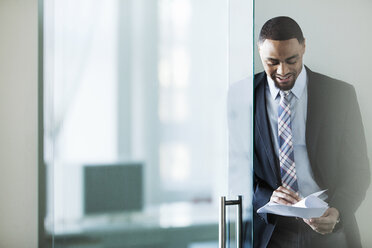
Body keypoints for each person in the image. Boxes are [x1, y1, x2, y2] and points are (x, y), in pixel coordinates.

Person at [252, 16, 370, 248]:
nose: (282, 71)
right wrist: (267, 198)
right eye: (272, 61)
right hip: (271, 233)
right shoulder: (246, 98)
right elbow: (235, 170)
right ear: (259, 51)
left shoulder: (340, 95)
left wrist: (338, 212)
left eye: (291, 60)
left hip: (330, 229)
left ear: (304, 47)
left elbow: (358, 169)